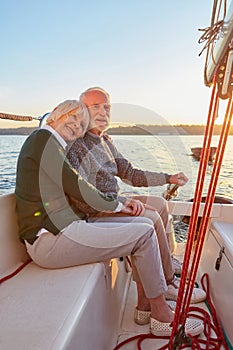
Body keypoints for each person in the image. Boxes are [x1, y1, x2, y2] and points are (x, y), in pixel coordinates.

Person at [15, 99, 203, 337]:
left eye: (81, 122)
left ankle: (145, 304)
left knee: (146, 224)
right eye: (70, 117)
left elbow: (95, 179)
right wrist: (118, 206)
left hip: (65, 230)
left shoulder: (54, 143)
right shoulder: (43, 138)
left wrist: (119, 204)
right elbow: (76, 185)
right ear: (54, 115)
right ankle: (161, 315)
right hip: (50, 240)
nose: (75, 124)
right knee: (144, 232)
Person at [67, 87, 206, 303]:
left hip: (113, 203)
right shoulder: (76, 143)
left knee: (159, 204)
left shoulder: (106, 141)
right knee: (149, 219)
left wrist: (168, 177)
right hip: (95, 211)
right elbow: (83, 198)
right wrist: (122, 203)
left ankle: (165, 262)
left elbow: (131, 174)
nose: (103, 112)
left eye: (107, 107)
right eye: (95, 106)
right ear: (82, 110)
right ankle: (167, 283)